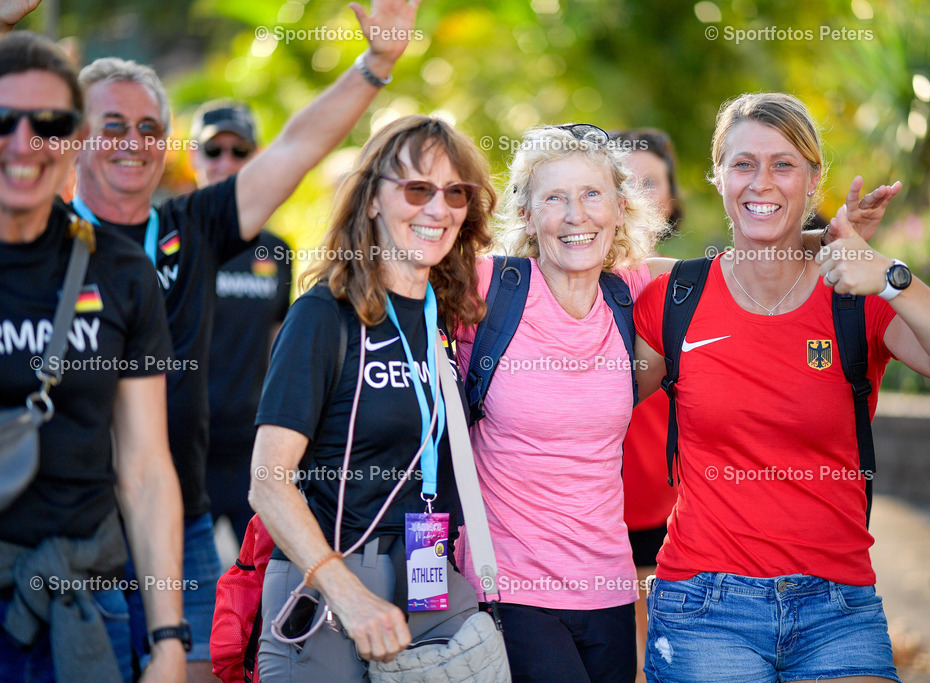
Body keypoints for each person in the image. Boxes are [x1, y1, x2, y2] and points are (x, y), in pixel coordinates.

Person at [52, 1, 421, 677]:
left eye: (147, 127)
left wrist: (376, 65)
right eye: (111, 126)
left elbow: (295, 148)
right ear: (72, 137)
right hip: (65, 533)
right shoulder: (36, 233)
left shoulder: (192, 226)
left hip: (180, 519)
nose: (132, 141)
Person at [633, 92, 930, 682]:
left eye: (784, 164)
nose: (762, 182)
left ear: (813, 178)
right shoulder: (676, 298)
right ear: (718, 176)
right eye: (743, 163)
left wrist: (891, 277)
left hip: (839, 608)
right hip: (704, 606)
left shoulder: (858, 296)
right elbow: (592, 408)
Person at [249, 114, 496, 679]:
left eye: (454, 192)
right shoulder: (323, 315)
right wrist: (346, 591)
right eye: (417, 189)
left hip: (426, 566)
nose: (438, 208)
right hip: (329, 576)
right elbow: (268, 480)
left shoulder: (444, 319)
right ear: (372, 202)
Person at [0, 31, 185, 682]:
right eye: (5, 121)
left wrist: (167, 636)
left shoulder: (121, 268)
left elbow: (145, 468)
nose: (24, 143)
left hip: (85, 601)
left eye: (48, 124)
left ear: (74, 138)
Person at [452, 123, 665, 682]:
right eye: (555, 198)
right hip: (509, 588)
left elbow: (738, 272)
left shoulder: (633, 293)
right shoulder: (488, 289)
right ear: (526, 215)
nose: (576, 215)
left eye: (592, 194)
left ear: (620, 208)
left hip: (610, 587)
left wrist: (829, 243)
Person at [191, 100, 292, 546]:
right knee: (173, 590)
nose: (226, 162)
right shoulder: (169, 239)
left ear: (257, 157)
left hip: (251, 450)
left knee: (257, 596)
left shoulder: (276, 251)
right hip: (183, 450)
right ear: (194, 156)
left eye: (239, 150)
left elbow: (278, 349)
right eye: (214, 151)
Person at [610, 127, 685, 683]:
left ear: (672, 199)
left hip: (675, 504)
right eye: (624, 182)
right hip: (596, 504)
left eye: (650, 182)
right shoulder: (565, 278)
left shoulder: (686, 285)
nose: (637, 193)